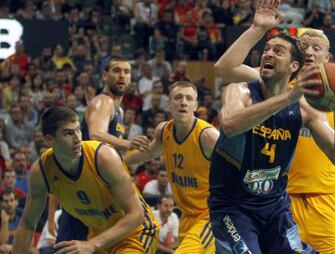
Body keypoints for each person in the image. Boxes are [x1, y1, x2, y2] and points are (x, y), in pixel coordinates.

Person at [215, 0, 335, 250]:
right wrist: (257, 28)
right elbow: (226, 67)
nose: (310, 51)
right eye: (304, 46)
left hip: (324, 199)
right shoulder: (276, 84)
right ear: (295, 58)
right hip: (279, 199)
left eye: (317, 47)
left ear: (328, 57)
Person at [209, 0, 335, 253]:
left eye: (278, 51)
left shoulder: (305, 108)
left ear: (294, 65)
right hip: (233, 207)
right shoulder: (239, 91)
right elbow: (229, 124)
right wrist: (257, 28)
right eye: (266, 50)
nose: (269, 54)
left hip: (275, 208)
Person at [12, 106, 159, 254]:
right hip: (100, 236)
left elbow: (136, 214)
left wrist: (93, 244)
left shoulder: (104, 157)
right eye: (69, 133)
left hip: (136, 232)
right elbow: (27, 224)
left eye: (78, 130)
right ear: (50, 140)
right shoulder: (42, 171)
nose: (78, 139)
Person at [49, 55, 151, 242]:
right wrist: (128, 143)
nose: (122, 75)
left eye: (126, 72)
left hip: (100, 192)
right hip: (82, 189)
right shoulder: (102, 102)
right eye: (117, 70)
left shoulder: (119, 110)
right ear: (105, 76)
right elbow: (96, 134)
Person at [126, 81, 219, 253]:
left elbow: (237, 167)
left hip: (210, 216)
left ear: (195, 106)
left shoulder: (208, 136)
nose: (183, 102)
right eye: (178, 97)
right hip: (186, 215)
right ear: (169, 104)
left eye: (189, 98)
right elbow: (149, 153)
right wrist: (120, 162)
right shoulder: (163, 131)